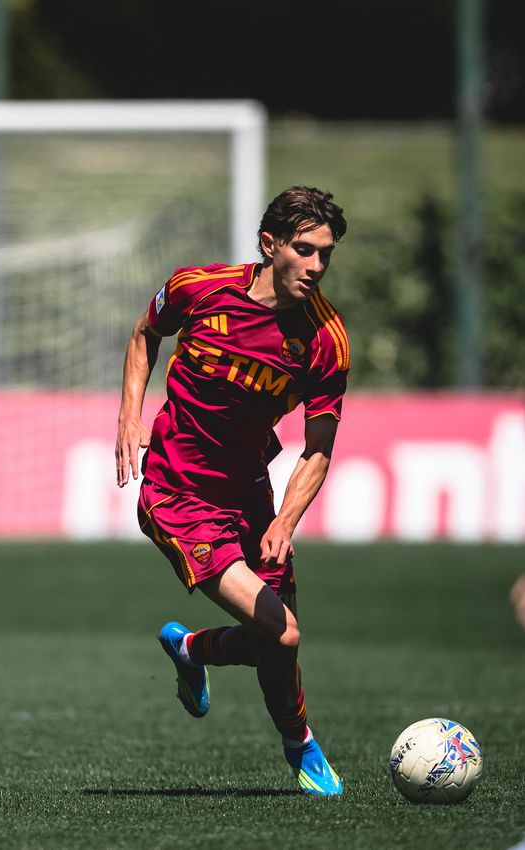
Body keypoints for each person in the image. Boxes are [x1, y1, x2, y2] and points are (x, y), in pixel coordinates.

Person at [115, 186, 350, 796]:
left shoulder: (324, 339)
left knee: (279, 636)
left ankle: (192, 649)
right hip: (178, 497)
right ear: (270, 245)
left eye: (327, 253)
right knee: (284, 631)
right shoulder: (200, 288)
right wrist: (129, 415)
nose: (317, 266)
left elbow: (318, 447)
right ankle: (301, 744)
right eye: (306, 250)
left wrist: (285, 522)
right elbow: (145, 333)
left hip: (250, 492)